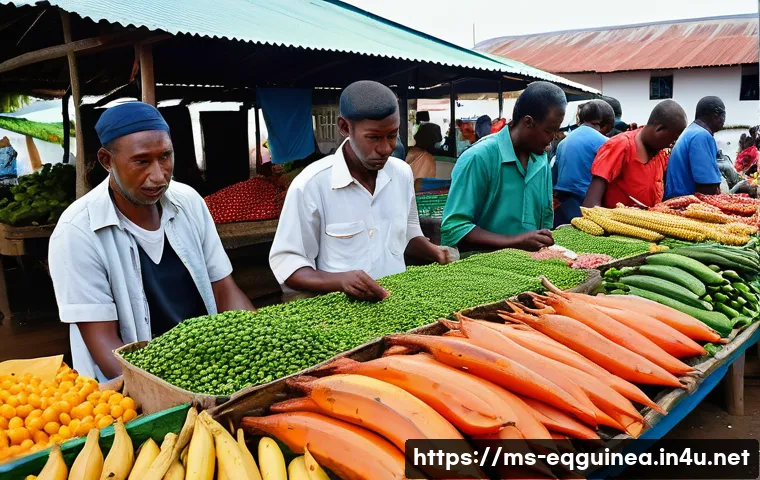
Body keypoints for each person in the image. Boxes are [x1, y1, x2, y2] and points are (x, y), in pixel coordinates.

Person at [48, 102, 254, 381]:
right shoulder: (78, 232)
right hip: (130, 388)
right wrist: (181, 389)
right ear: (107, 161)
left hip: (211, 369)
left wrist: (258, 340)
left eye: (165, 157)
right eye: (141, 161)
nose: (158, 176)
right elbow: (105, 343)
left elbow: (224, 291)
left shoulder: (189, 203)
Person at [269, 81, 456, 302]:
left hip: (396, 303)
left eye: (392, 135)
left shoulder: (402, 174)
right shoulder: (311, 185)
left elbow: (408, 234)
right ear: (345, 127)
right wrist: (341, 281)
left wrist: (434, 251)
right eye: (374, 137)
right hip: (339, 315)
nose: (386, 148)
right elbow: (289, 264)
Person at [440, 81, 566, 252]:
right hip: (482, 270)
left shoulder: (541, 160)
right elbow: (454, 228)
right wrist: (514, 241)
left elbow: (544, 223)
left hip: (532, 268)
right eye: (548, 131)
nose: (551, 140)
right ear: (528, 122)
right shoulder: (478, 157)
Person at [583, 100, 687, 209]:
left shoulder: (660, 153)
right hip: (617, 223)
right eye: (673, 138)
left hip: (647, 222)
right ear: (659, 129)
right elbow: (591, 203)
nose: (671, 144)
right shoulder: (620, 145)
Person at [553, 100, 615, 227]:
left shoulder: (562, 143)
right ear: (606, 126)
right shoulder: (605, 142)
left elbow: (554, 176)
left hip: (562, 204)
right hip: (585, 203)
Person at [663, 96, 726, 199]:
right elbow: (707, 187)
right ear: (715, 114)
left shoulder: (693, 131)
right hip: (683, 203)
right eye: (723, 114)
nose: (723, 119)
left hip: (677, 198)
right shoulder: (701, 136)